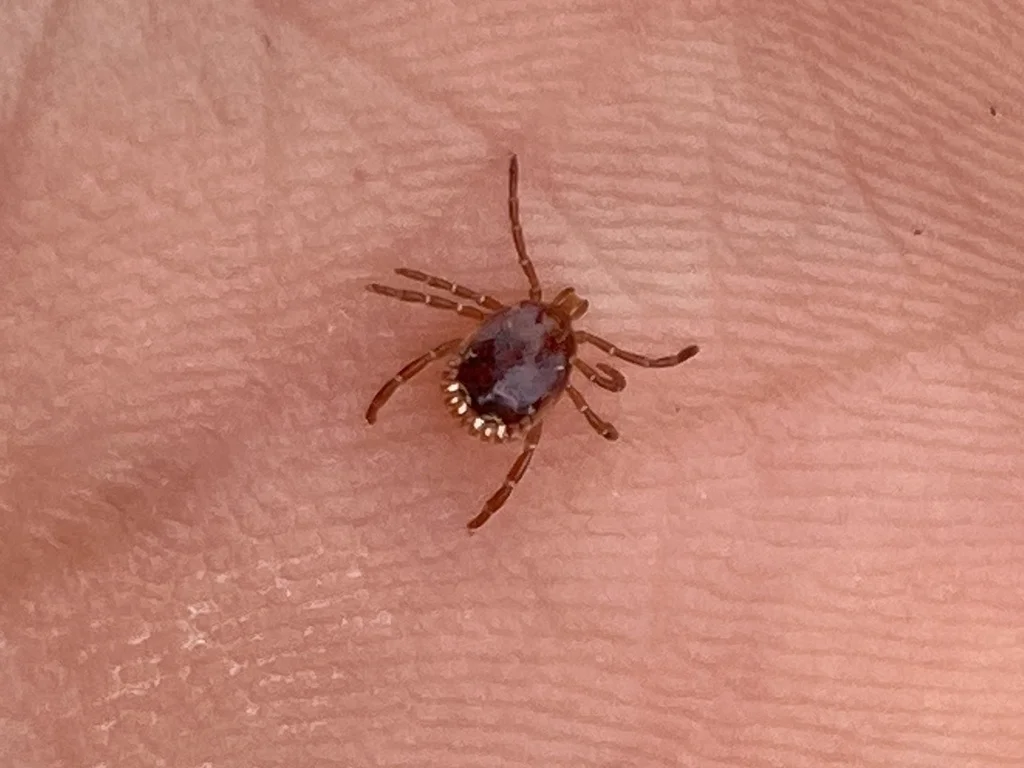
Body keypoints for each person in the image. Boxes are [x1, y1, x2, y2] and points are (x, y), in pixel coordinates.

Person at [2, 3, 1021, 764]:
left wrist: (503, 354)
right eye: (550, 317)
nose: (554, 315)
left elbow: (522, 348)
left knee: (475, 366)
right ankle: (443, 438)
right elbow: (573, 398)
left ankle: (443, 439)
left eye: (555, 324)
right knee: (509, 402)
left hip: (488, 394)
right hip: (498, 399)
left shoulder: (530, 331)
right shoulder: (551, 352)